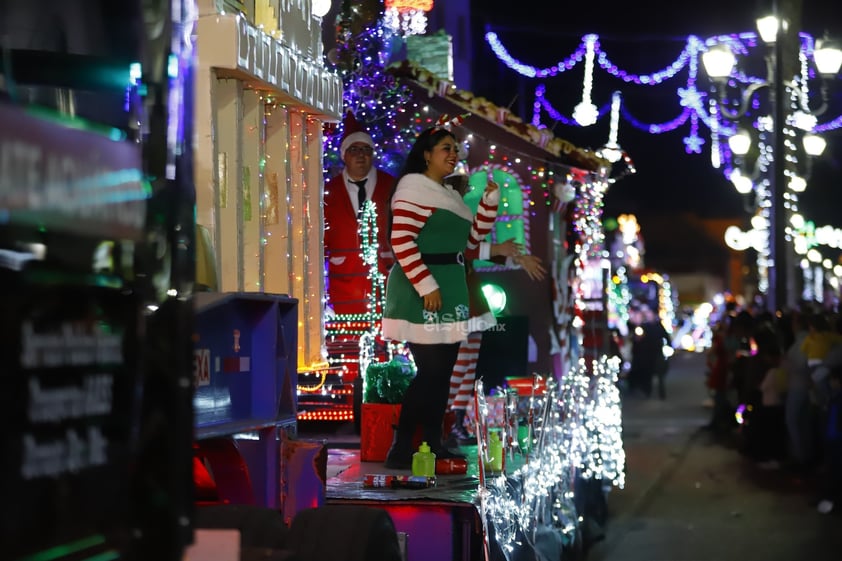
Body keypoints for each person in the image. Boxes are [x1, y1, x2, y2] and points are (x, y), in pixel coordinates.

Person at [381, 126, 499, 469]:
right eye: (446, 148)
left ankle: (432, 442)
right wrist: (426, 285)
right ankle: (402, 445)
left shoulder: (447, 195)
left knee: (443, 371)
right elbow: (401, 240)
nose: (454, 154)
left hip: (450, 286)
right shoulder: (413, 189)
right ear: (427, 154)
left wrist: (489, 203)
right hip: (424, 288)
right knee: (431, 370)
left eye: (456, 149)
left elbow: (472, 238)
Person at [447, 238, 546, 445]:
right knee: (458, 364)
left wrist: (517, 259)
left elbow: (475, 246)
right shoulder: (444, 218)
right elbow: (467, 247)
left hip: (470, 295)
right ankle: (443, 422)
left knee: (468, 365)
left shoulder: (461, 216)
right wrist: (499, 249)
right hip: (454, 296)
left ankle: (456, 422)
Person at [323, 111, 395, 315]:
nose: (360, 155)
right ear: (343, 155)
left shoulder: (390, 185)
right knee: (351, 336)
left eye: (366, 149)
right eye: (354, 149)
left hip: (384, 275)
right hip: (344, 281)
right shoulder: (329, 191)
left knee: (386, 335)